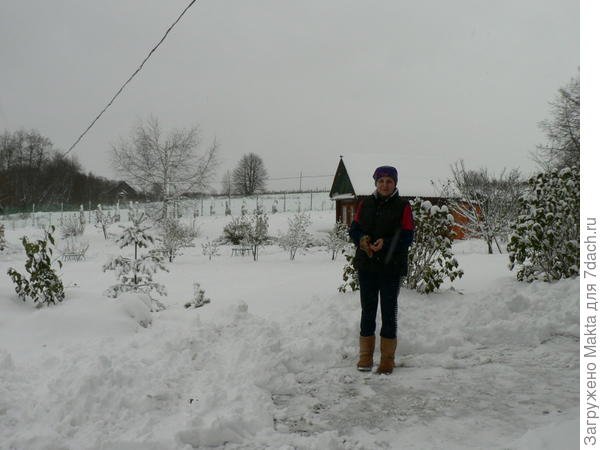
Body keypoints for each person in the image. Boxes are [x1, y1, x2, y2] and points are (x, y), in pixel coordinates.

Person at [349, 165, 414, 374]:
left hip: (390, 267)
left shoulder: (403, 206)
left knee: (388, 311)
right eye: (381, 181)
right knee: (367, 310)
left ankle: (387, 359)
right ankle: (365, 357)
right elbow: (354, 229)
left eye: (389, 181)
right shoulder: (364, 204)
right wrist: (362, 240)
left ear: (395, 183)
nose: (385, 185)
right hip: (367, 265)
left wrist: (384, 243)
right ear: (375, 183)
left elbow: (407, 236)